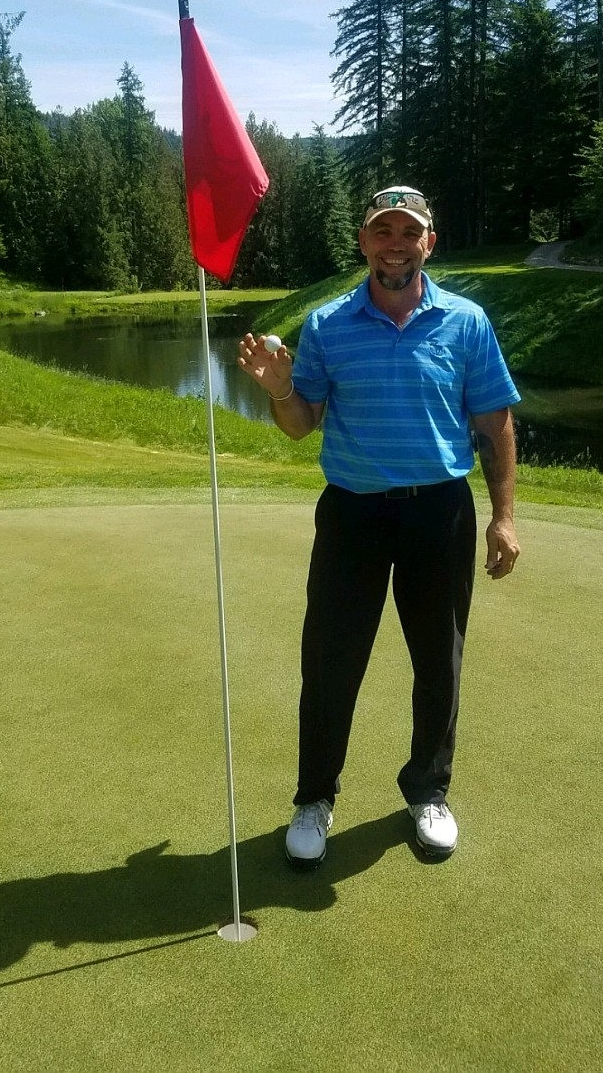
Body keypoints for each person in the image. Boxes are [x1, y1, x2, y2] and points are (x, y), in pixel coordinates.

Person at [238, 185, 520, 867]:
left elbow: (494, 423)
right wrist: (279, 388)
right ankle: (314, 799)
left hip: (440, 512)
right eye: (382, 230)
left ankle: (428, 792)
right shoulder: (329, 323)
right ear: (364, 242)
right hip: (353, 515)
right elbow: (301, 424)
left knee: (438, 664)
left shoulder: (466, 321)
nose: (395, 242)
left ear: (430, 241)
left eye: (408, 231)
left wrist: (505, 517)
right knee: (330, 664)